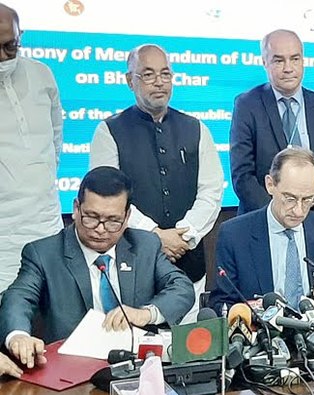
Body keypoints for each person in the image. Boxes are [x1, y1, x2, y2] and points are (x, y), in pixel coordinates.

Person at [0, 167, 194, 370]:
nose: (100, 229)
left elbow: (181, 287)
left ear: (127, 216)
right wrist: (18, 336)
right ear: (76, 208)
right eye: (91, 217)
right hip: (71, 369)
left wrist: (145, 314)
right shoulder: (44, 254)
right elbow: (18, 298)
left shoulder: (145, 245)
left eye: (113, 221)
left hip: (136, 367)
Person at [89, 44, 223, 324]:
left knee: (188, 345)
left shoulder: (196, 128)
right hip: (133, 264)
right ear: (130, 81)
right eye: (148, 74)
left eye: (165, 74)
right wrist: (155, 235)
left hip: (189, 261)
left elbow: (211, 191)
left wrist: (184, 235)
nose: (159, 82)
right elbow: (105, 200)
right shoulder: (109, 131)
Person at [211, 147, 314, 313]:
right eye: (290, 198)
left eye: (307, 199)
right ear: (270, 184)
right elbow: (221, 305)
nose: (299, 211)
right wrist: (249, 312)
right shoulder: (235, 235)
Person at [230, 29, 314, 217]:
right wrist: (280, 218)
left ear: (303, 61)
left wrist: (312, 221)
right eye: (279, 61)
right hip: (264, 221)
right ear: (265, 62)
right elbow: (242, 176)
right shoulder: (247, 106)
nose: (288, 68)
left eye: (295, 59)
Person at [0, 3, 63, 293]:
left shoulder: (42, 74)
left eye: (10, 46)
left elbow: (55, 139)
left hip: (47, 225)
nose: (3, 56)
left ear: (20, 36)